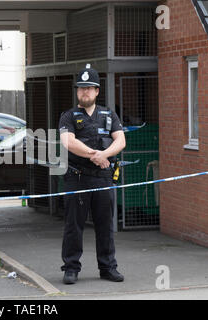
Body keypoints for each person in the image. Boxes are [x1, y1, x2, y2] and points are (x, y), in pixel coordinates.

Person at [58, 64, 126, 285]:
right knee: (73, 225)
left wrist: (104, 154)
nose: (84, 92)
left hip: (103, 177)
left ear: (97, 91)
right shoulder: (68, 116)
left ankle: (108, 267)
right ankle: (71, 268)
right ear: (77, 91)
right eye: (81, 88)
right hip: (77, 178)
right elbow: (68, 141)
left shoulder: (109, 115)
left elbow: (121, 140)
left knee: (105, 225)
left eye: (89, 88)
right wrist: (94, 155)